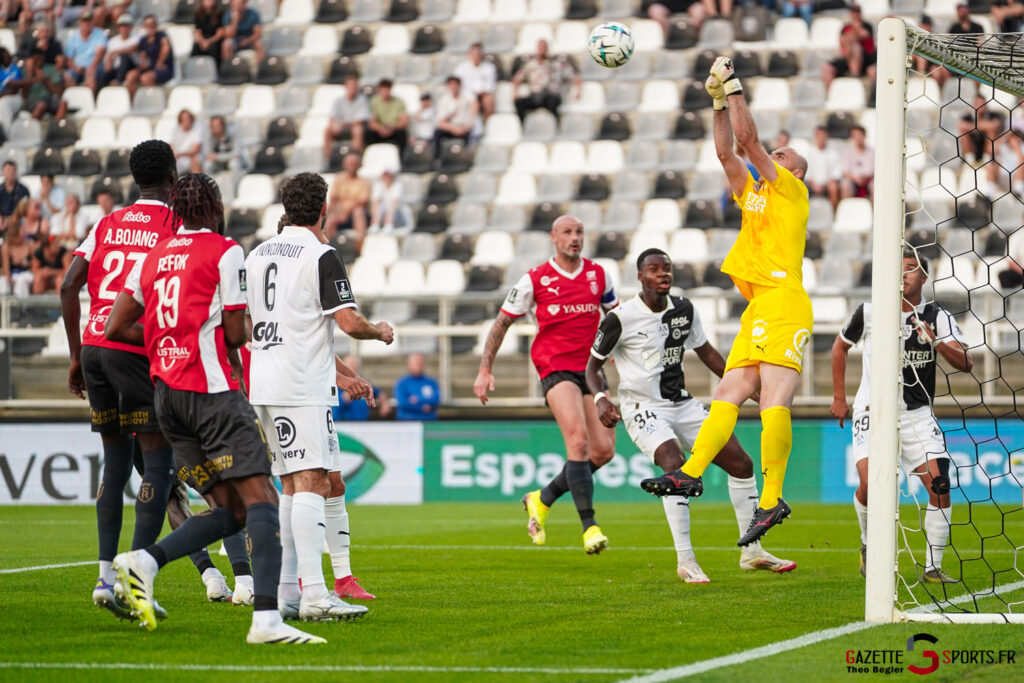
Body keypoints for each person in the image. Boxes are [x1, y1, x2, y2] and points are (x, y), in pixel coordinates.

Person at [105, 173, 323, 644]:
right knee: (262, 497)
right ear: (213, 205)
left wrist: (167, 343)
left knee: (231, 508)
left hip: (167, 399)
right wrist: (195, 343)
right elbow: (238, 332)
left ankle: (141, 561)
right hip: (211, 393)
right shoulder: (224, 250)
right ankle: (266, 620)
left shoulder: (153, 256)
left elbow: (114, 325)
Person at [640, 57, 812, 547]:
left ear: (794, 170)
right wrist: (717, 101)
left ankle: (772, 496)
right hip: (759, 307)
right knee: (728, 394)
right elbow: (726, 152)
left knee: (773, 402)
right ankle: (690, 474)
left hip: (785, 301)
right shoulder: (758, 199)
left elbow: (748, 143)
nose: (769, 158)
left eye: (780, 156)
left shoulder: (792, 192)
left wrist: (734, 86)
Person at [59, 141, 230, 621]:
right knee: (156, 466)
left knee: (114, 464)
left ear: (136, 178)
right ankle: (137, 580)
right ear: (173, 176)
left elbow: (69, 283)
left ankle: (103, 578)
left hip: (94, 345)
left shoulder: (107, 221)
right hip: (133, 345)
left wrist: (76, 355)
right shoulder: (174, 222)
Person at [587, 249, 796, 582]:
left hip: (682, 404)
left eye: (666, 269)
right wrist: (601, 398)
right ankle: (686, 559)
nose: (663, 274)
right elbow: (593, 366)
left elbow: (708, 353)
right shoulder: (620, 318)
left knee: (742, 465)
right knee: (674, 463)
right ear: (639, 277)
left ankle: (752, 551)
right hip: (643, 407)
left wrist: (751, 388)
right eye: (654, 270)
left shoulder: (684, 310)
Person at [245, 172, 392, 621]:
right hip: (301, 383)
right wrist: (379, 331)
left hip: (264, 381)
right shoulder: (321, 254)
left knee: (291, 483)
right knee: (312, 482)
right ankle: (315, 594)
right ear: (324, 208)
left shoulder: (255, 255)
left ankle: (289, 589)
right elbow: (348, 323)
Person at [474, 215, 618, 554]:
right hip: (555, 366)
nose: (575, 238)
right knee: (579, 442)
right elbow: (501, 324)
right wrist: (485, 369)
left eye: (579, 232)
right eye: (567, 232)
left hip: (591, 369)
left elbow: (616, 319)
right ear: (554, 237)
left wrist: (617, 352)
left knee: (604, 450)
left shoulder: (599, 275)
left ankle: (542, 498)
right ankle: (589, 527)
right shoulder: (535, 279)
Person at [831, 250, 972, 583]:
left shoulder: (938, 315)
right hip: (872, 410)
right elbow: (839, 347)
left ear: (924, 277)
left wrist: (935, 340)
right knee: (871, 484)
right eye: (900, 269)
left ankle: (932, 568)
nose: (904, 275)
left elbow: (966, 363)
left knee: (940, 485)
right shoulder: (869, 312)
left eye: (911, 270)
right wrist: (839, 397)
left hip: (917, 415)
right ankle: (868, 544)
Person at [511, 39, 581, 123]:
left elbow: (574, 77)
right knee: (519, 103)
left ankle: (555, 126)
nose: (542, 50)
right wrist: (515, 92)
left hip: (551, 95)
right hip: (535, 96)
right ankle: (523, 126)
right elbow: (517, 78)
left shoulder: (557, 64)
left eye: (544, 47)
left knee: (553, 102)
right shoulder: (531, 64)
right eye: (540, 47)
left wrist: (578, 91)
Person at [821, 5, 876, 91]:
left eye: (857, 11)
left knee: (856, 48)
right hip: (847, 57)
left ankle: (855, 75)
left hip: (866, 59)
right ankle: (830, 94)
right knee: (827, 67)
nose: (855, 14)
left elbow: (863, 36)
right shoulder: (845, 27)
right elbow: (843, 41)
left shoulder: (867, 26)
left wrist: (855, 29)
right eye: (853, 12)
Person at [324, 153, 370, 241]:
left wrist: (346, 213)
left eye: (354, 163)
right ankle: (328, 248)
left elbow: (363, 202)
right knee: (330, 221)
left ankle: (360, 247)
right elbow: (333, 198)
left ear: (359, 165)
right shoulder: (339, 179)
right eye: (350, 163)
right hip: (340, 214)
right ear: (344, 164)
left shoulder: (363, 182)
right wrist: (334, 213)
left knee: (358, 212)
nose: (352, 166)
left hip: (354, 215)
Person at [333, 353, 391, 421]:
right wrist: (343, 399)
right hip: (343, 423)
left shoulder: (361, 382)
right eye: (349, 365)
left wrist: (384, 402)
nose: (353, 367)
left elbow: (377, 392)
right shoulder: (335, 383)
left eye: (354, 364)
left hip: (363, 424)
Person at [323, 75, 369, 159]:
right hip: (341, 127)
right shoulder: (338, 101)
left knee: (358, 129)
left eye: (354, 85)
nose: (352, 87)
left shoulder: (362, 99)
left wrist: (343, 124)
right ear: (346, 86)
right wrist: (334, 125)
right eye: (350, 85)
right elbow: (332, 118)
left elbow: (360, 119)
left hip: (353, 127)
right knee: (327, 130)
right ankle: (328, 157)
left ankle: (357, 156)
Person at [432, 75, 477, 158]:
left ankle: (465, 158)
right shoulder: (444, 100)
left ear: (460, 85)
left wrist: (465, 127)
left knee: (469, 135)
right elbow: (440, 122)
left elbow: (474, 106)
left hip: (464, 128)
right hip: (451, 128)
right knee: (437, 134)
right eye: (451, 84)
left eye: (456, 84)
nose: (453, 87)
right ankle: (437, 159)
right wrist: (454, 129)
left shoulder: (466, 97)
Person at [127, 14, 174, 95]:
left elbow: (166, 48)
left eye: (153, 24)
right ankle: (133, 102)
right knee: (130, 76)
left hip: (163, 68)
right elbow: (139, 53)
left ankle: (152, 100)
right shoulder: (143, 39)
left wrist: (160, 62)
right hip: (149, 68)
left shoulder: (162, 36)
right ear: (144, 26)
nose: (151, 26)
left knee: (145, 78)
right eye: (148, 25)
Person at [62, 11, 106, 92]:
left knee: (90, 76)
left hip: (94, 66)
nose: (87, 23)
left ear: (93, 21)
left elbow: (100, 53)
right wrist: (75, 68)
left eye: (89, 20)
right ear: (80, 22)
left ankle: (88, 102)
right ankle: (74, 100)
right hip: (77, 67)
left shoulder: (99, 33)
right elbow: (69, 59)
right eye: (84, 21)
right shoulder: (73, 37)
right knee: (67, 76)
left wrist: (92, 67)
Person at [20, 46, 67, 120]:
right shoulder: (25, 71)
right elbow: (24, 95)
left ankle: (55, 126)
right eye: (37, 59)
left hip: (49, 99)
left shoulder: (50, 68)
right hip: (33, 100)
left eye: (42, 59)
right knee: (41, 105)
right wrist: (30, 74)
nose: (40, 61)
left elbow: (56, 92)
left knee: (63, 103)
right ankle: (32, 127)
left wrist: (43, 78)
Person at [453, 43, 497, 120]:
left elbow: (490, 86)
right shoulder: (461, 68)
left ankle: (488, 124)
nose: (476, 55)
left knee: (489, 100)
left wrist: (480, 92)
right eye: (474, 53)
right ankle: (471, 125)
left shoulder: (489, 67)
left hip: (483, 94)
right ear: (469, 54)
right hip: (466, 94)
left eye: (478, 53)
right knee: (473, 101)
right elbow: (457, 85)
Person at [394, 353, 440, 421]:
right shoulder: (402, 383)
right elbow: (402, 402)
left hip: (428, 421)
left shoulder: (431, 382)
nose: (420, 365)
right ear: (409, 364)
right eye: (417, 363)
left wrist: (417, 399)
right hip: (407, 422)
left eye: (421, 363)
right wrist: (421, 407)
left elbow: (435, 399)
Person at [365, 78, 409, 150]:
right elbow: (372, 122)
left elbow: (403, 121)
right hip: (380, 129)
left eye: (387, 89)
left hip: (394, 129)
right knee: (369, 133)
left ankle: (402, 156)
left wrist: (392, 127)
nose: (385, 92)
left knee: (402, 133)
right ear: (379, 90)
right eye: (383, 89)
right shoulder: (374, 101)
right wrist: (380, 128)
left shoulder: (399, 102)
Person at [804, 126, 841, 210]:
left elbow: (836, 174)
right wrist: (814, 184)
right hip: (811, 184)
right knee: (801, 187)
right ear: (815, 137)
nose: (821, 138)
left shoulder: (833, 153)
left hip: (827, 184)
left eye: (823, 135)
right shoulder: (809, 152)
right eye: (819, 135)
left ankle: (833, 213)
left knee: (834, 187)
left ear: (827, 137)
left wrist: (824, 185)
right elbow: (807, 173)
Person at [221, 0, 265, 64]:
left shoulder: (253, 14)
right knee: (226, 44)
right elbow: (228, 35)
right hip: (235, 41)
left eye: (240, 4)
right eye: (236, 4)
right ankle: (229, 68)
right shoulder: (227, 15)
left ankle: (260, 69)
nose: (238, 6)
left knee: (259, 44)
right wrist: (235, 20)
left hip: (250, 40)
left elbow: (258, 33)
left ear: (245, 4)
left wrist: (247, 41)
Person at [103, 14, 139, 87]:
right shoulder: (113, 41)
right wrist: (108, 65)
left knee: (124, 56)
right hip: (117, 67)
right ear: (118, 27)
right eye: (122, 26)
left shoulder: (136, 37)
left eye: (126, 25)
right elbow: (109, 59)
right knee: (103, 75)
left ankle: (118, 81)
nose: (124, 28)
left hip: (132, 65)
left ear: (131, 27)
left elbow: (131, 48)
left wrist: (112, 53)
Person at [0, 217, 34, 296]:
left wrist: (26, 263)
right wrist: (9, 278)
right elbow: (6, 265)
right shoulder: (7, 246)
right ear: (16, 231)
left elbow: (35, 262)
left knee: (21, 282)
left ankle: (22, 307)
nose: (26, 231)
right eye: (23, 230)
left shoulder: (30, 244)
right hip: (12, 273)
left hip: (26, 273)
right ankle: (4, 306)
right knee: (3, 282)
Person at [840, 125, 874, 200]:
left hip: (868, 180)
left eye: (860, 135)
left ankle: (874, 210)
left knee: (875, 186)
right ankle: (847, 209)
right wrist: (856, 179)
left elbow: (873, 170)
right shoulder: (847, 151)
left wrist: (864, 178)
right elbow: (845, 171)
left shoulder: (872, 152)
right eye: (855, 135)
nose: (858, 138)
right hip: (852, 180)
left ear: (864, 136)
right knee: (845, 185)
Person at [368, 167, 407, 232]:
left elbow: (395, 202)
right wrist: (375, 218)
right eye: (385, 175)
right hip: (382, 213)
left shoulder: (398, 185)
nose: (387, 177)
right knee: (379, 207)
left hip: (397, 213)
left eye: (389, 175)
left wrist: (388, 219)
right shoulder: (378, 185)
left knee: (391, 208)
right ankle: (375, 224)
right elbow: (375, 201)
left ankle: (388, 224)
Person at [192, 0, 225, 67]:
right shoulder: (198, 14)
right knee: (196, 47)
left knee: (213, 48)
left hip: (214, 39)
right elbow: (197, 32)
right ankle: (196, 67)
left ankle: (214, 69)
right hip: (203, 39)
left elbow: (220, 33)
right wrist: (202, 41)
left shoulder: (219, 14)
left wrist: (208, 42)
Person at [170, 109, 202, 175]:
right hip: (177, 158)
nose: (186, 121)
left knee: (195, 159)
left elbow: (196, 149)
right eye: (183, 119)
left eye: (188, 119)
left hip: (190, 157)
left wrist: (180, 154)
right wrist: (175, 154)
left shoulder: (197, 129)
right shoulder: (175, 129)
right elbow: (170, 145)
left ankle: (196, 183)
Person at [0, 160, 30, 225]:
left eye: (13, 170)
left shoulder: (23, 190)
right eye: (8, 170)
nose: (11, 172)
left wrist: (12, 218)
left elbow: (24, 208)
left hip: (17, 220)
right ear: (3, 172)